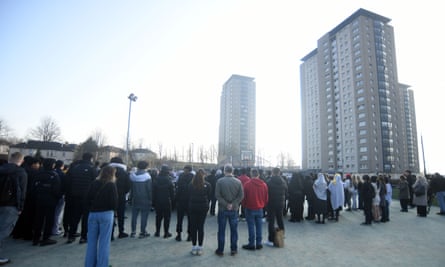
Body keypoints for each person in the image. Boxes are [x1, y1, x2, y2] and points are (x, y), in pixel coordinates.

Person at [84, 165, 118, 267]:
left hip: (93, 213)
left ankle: (89, 264)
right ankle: (102, 265)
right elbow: (114, 203)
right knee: (104, 243)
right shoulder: (111, 185)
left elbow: (86, 199)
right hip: (106, 214)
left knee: (91, 243)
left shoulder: (94, 183)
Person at [0, 152, 27, 265]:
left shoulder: (1, 169)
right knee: (3, 231)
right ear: (21, 161)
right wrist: (20, 207)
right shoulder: (21, 172)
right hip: (11, 205)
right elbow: (22, 192)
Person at [65, 153, 98, 244]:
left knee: (74, 216)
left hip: (74, 195)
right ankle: (84, 237)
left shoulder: (74, 168)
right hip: (87, 197)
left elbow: (68, 181)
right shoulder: (92, 169)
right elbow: (95, 183)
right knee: (86, 218)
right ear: (91, 159)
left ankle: (71, 235)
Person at [214, 164, 244, 256]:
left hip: (223, 209)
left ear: (224, 171)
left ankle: (220, 250)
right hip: (234, 209)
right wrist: (233, 204)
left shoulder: (220, 181)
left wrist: (226, 204)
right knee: (234, 230)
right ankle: (233, 249)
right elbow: (241, 196)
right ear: (233, 171)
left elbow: (217, 195)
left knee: (221, 230)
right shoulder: (238, 182)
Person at [31, 158, 61, 246]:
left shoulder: (38, 174)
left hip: (39, 199)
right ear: (52, 165)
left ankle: (36, 238)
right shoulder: (55, 175)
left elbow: (33, 187)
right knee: (49, 220)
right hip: (50, 200)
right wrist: (57, 197)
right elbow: (56, 190)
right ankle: (45, 238)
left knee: (38, 219)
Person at [241, 168, 268, 250]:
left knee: (251, 226)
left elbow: (244, 197)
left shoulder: (247, 184)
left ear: (251, 174)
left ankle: (251, 243)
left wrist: (244, 205)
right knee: (259, 226)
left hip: (249, 207)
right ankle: (259, 243)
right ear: (258, 175)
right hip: (260, 208)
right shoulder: (264, 185)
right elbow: (266, 198)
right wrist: (263, 205)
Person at [188, 169, 212, 256]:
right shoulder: (207, 185)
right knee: (200, 227)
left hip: (193, 207)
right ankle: (200, 248)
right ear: (204, 175)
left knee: (193, 227)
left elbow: (188, 195)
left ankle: (194, 247)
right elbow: (209, 196)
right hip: (203, 207)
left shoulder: (191, 185)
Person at [108, 157, 131, 239]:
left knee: (110, 214)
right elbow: (128, 185)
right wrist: (124, 192)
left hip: (109, 196)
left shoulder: (107, 171)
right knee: (121, 214)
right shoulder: (124, 172)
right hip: (120, 196)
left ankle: (110, 234)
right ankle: (121, 232)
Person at [264, 167, 287, 247]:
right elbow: (286, 191)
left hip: (271, 204)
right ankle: (281, 237)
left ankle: (270, 239)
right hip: (280, 203)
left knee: (271, 221)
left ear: (272, 173)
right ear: (279, 173)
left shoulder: (269, 182)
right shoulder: (283, 182)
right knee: (280, 219)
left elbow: (266, 193)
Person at [129, 161, 152, 238]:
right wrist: (150, 199)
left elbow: (131, 189)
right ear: (146, 167)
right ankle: (142, 232)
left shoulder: (133, 176)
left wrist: (130, 198)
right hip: (145, 199)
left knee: (134, 216)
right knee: (144, 216)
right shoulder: (147, 176)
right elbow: (149, 190)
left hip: (135, 198)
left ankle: (133, 231)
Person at [152, 165, 175, 238]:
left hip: (158, 200)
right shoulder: (169, 179)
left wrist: (153, 201)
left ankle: (157, 232)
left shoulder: (156, 179)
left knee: (158, 217)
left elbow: (153, 191)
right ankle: (166, 233)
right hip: (166, 200)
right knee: (167, 217)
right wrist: (173, 201)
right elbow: (172, 192)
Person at [175, 165, 193, 242]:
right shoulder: (193, 177)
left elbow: (178, 188)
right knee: (190, 219)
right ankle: (189, 235)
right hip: (189, 200)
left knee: (180, 218)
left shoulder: (181, 176)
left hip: (181, 199)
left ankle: (179, 234)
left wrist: (176, 199)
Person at [52, 160, 66, 236]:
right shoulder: (63, 174)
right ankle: (55, 229)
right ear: (62, 166)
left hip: (51, 195)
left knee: (51, 212)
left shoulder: (53, 172)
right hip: (60, 195)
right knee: (58, 213)